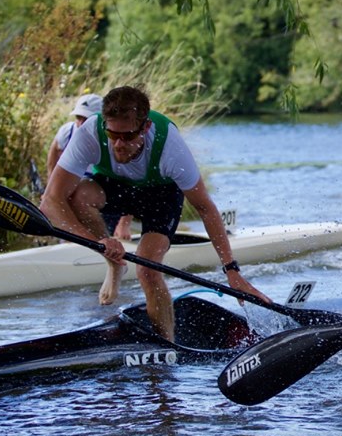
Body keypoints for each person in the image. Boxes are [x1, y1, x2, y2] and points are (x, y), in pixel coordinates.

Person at [41, 85, 269, 341]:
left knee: (147, 271)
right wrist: (100, 243)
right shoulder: (90, 133)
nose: (118, 144)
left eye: (127, 137)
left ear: (145, 127)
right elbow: (50, 201)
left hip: (160, 195)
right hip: (114, 186)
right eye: (112, 134)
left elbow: (206, 208)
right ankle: (113, 262)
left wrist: (232, 273)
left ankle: (167, 347)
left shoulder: (170, 146)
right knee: (79, 195)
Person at [47, 93, 134, 240]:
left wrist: (124, 223)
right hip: (74, 197)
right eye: (78, 118)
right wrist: (51, 187)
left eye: (86, 119)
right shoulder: (66, 132)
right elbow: (53, 154)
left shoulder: (116, 142)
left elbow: (132, 184)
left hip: (102, 200)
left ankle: (108, 247)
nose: (81, 124)